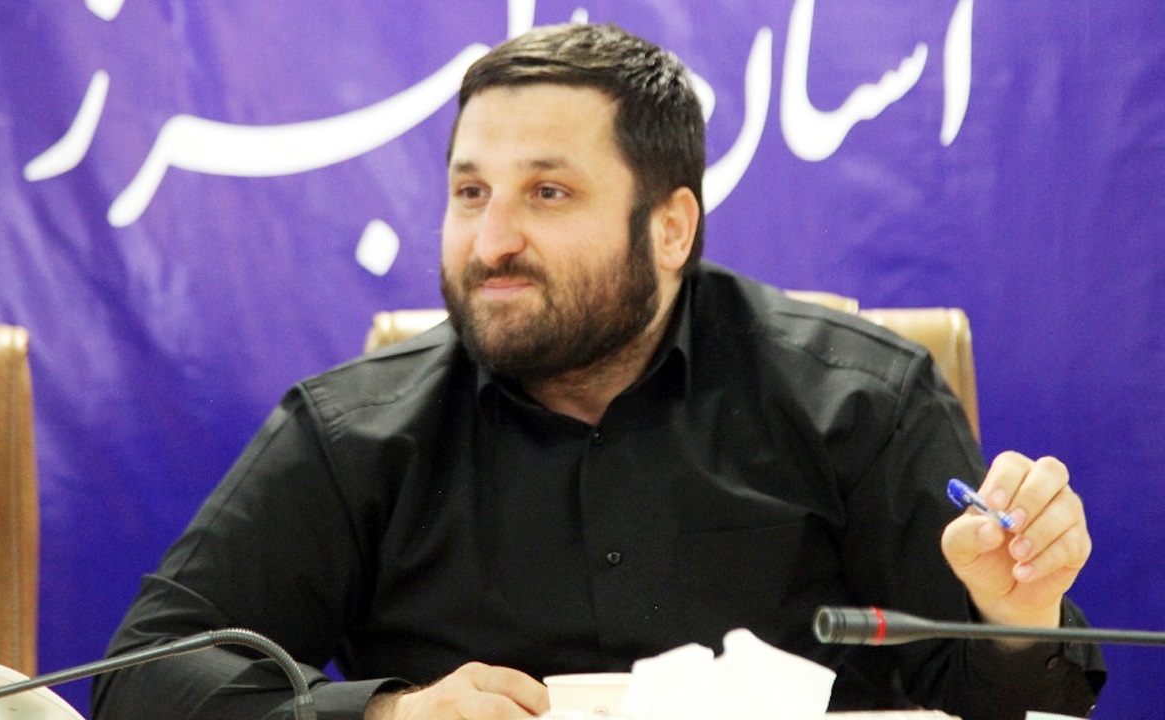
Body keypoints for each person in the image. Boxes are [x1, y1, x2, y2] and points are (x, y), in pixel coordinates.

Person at [92, 22, 1105, 720]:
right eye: (470, 191)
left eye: (547, 192)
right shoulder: (353, 431)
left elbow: (1018, 702)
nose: (490, 239)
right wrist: (387, 712)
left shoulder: (859, 401)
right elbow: (141, 675)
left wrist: (1012, 618)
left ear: (670, 228)